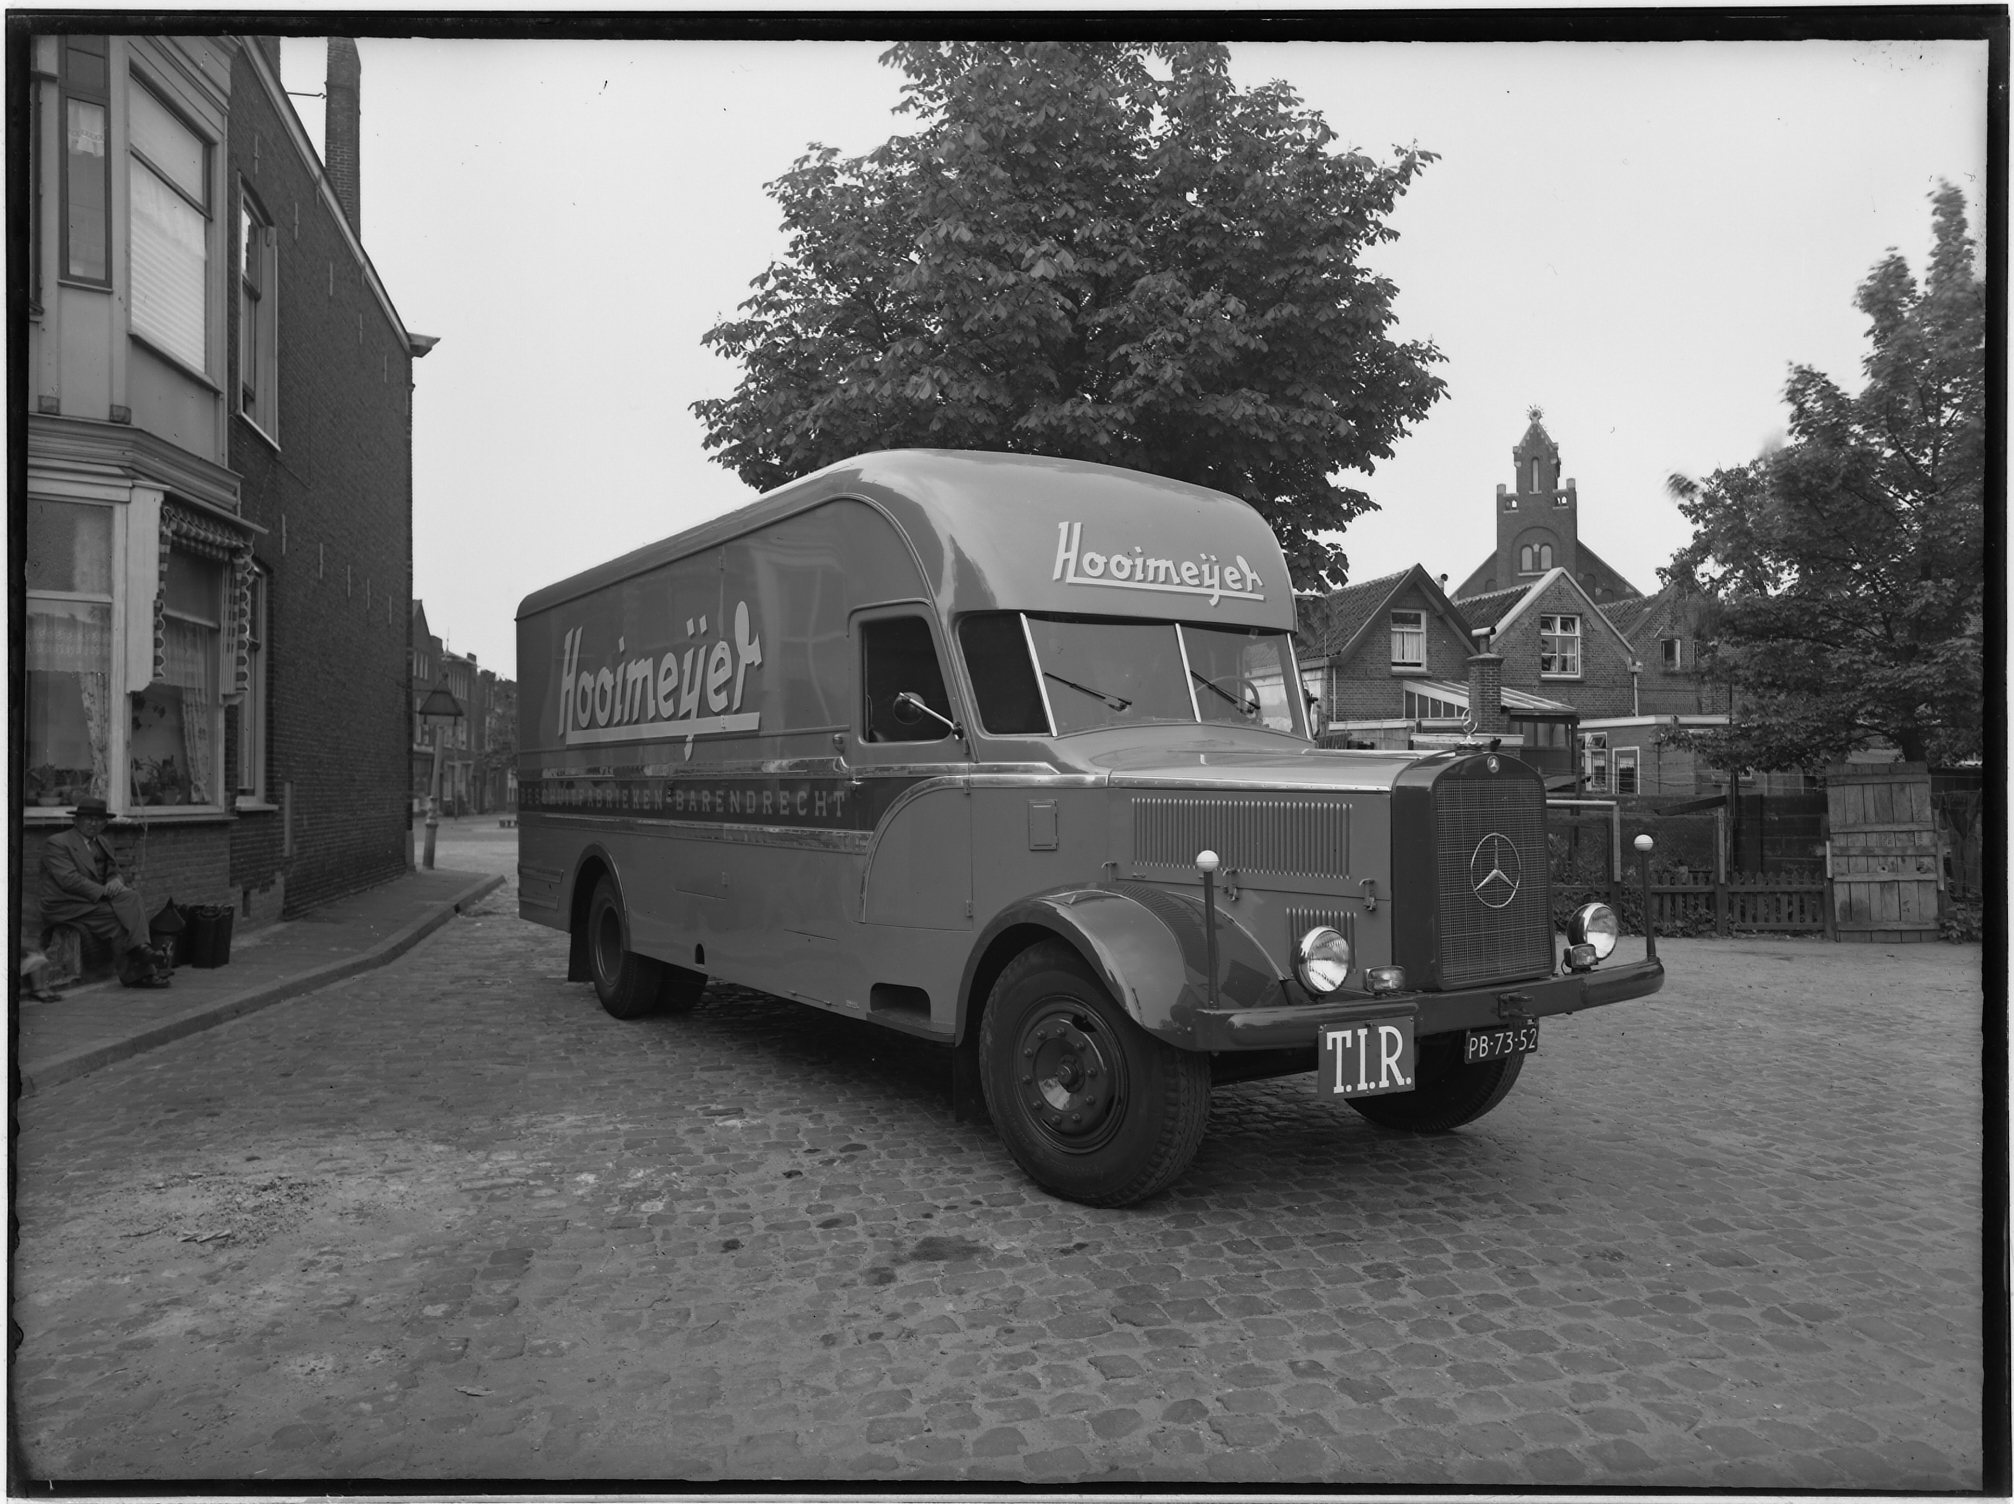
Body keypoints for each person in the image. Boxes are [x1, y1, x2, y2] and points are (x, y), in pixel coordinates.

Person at [38, 796, 171, 989]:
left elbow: (113, 871)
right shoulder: (57, 843)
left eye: (99, 819)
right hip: (66, 904)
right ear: (75, 820)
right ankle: (141, 968)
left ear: (105, 823)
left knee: (131, 897)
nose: (93, 823)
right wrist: (105, 892)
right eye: (88, 818)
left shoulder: (102, 842)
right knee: (122, 920)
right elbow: (69, 880)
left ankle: (141, 951)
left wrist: (115, 881)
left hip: (92, 903)